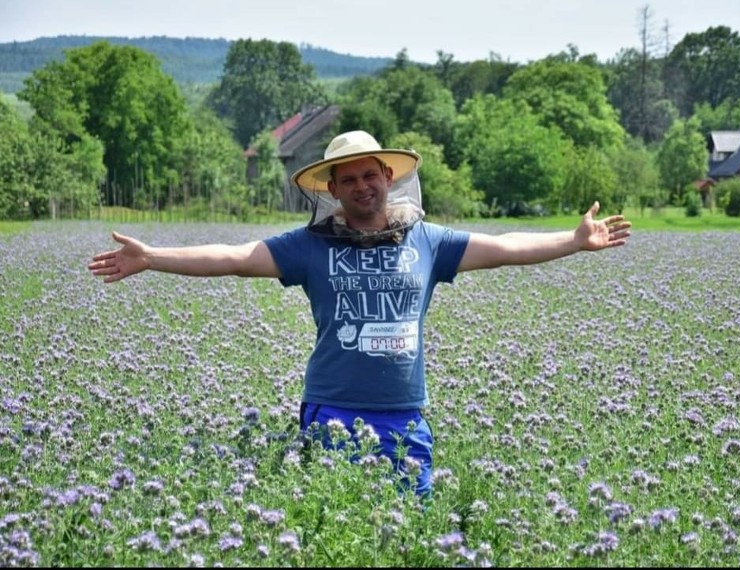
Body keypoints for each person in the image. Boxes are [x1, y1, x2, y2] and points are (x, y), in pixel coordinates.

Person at [88, 130, 632, 499]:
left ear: (387, 178)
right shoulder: (308, 246)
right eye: (347, 180)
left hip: (405, 415)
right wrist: (153, 257)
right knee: (337, 522)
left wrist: (573, 241)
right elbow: (233, 258)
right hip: (332, 411)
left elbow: (505, 247)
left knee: (412, 527)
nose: (361, 187)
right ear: (332, 190)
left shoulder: (429, 241)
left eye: (369, 176)